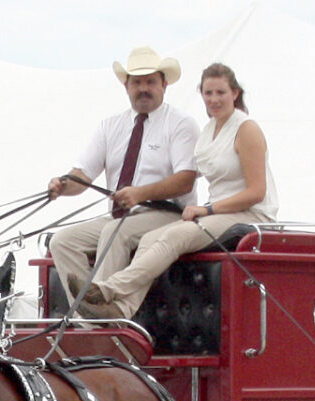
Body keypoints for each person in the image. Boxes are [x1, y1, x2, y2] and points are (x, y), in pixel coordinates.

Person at [82, 62, 278, 320]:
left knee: (177, 236)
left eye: (221, 93)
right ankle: (122, 308)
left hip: (250, 214)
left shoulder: (246, 129)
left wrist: (207, 209)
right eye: (208, 93)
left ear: (235, 94)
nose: (214, 99)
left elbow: (256, 192)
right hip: (218, 213)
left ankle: (110, 288)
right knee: (151, 238)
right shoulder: (209, 131)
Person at [46, 46, 200, 318]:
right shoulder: (110, 126)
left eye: (150, 82)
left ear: (164, 85)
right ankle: (87, 315)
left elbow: (185, 180)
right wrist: (62, 184)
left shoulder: (180, 124)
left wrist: (140, 194)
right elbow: (82, 175)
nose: (144, 89)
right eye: (137, 82)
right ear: (126, 86)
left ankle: (107, 315)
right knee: (62, 241)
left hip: (168, 214)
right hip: (122, 216)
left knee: (115, 232)